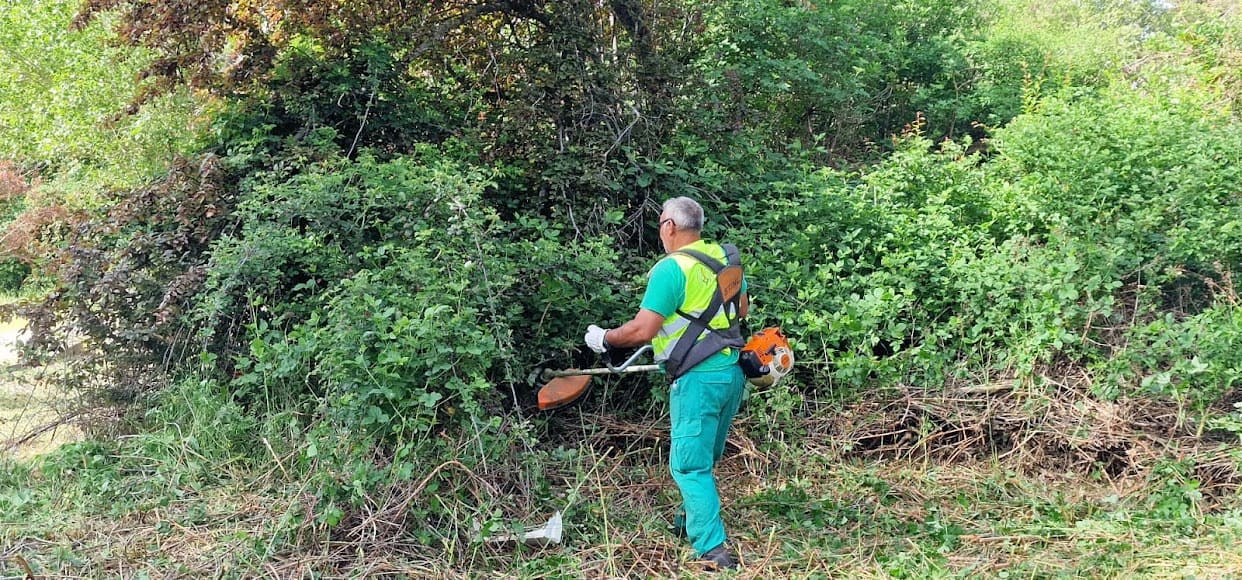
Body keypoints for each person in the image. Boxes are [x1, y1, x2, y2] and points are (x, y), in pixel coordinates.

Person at [584, 196, 748, 571]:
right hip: (732, 374)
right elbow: (741, 310)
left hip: (697, 382)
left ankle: (713, 551)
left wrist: (604, 338)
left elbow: (643, 330)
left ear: (669, 226)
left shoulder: (671, 269)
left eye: (660, 225)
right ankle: (686, 523)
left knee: (689, 466)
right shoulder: (726, 258)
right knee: (703, 458)